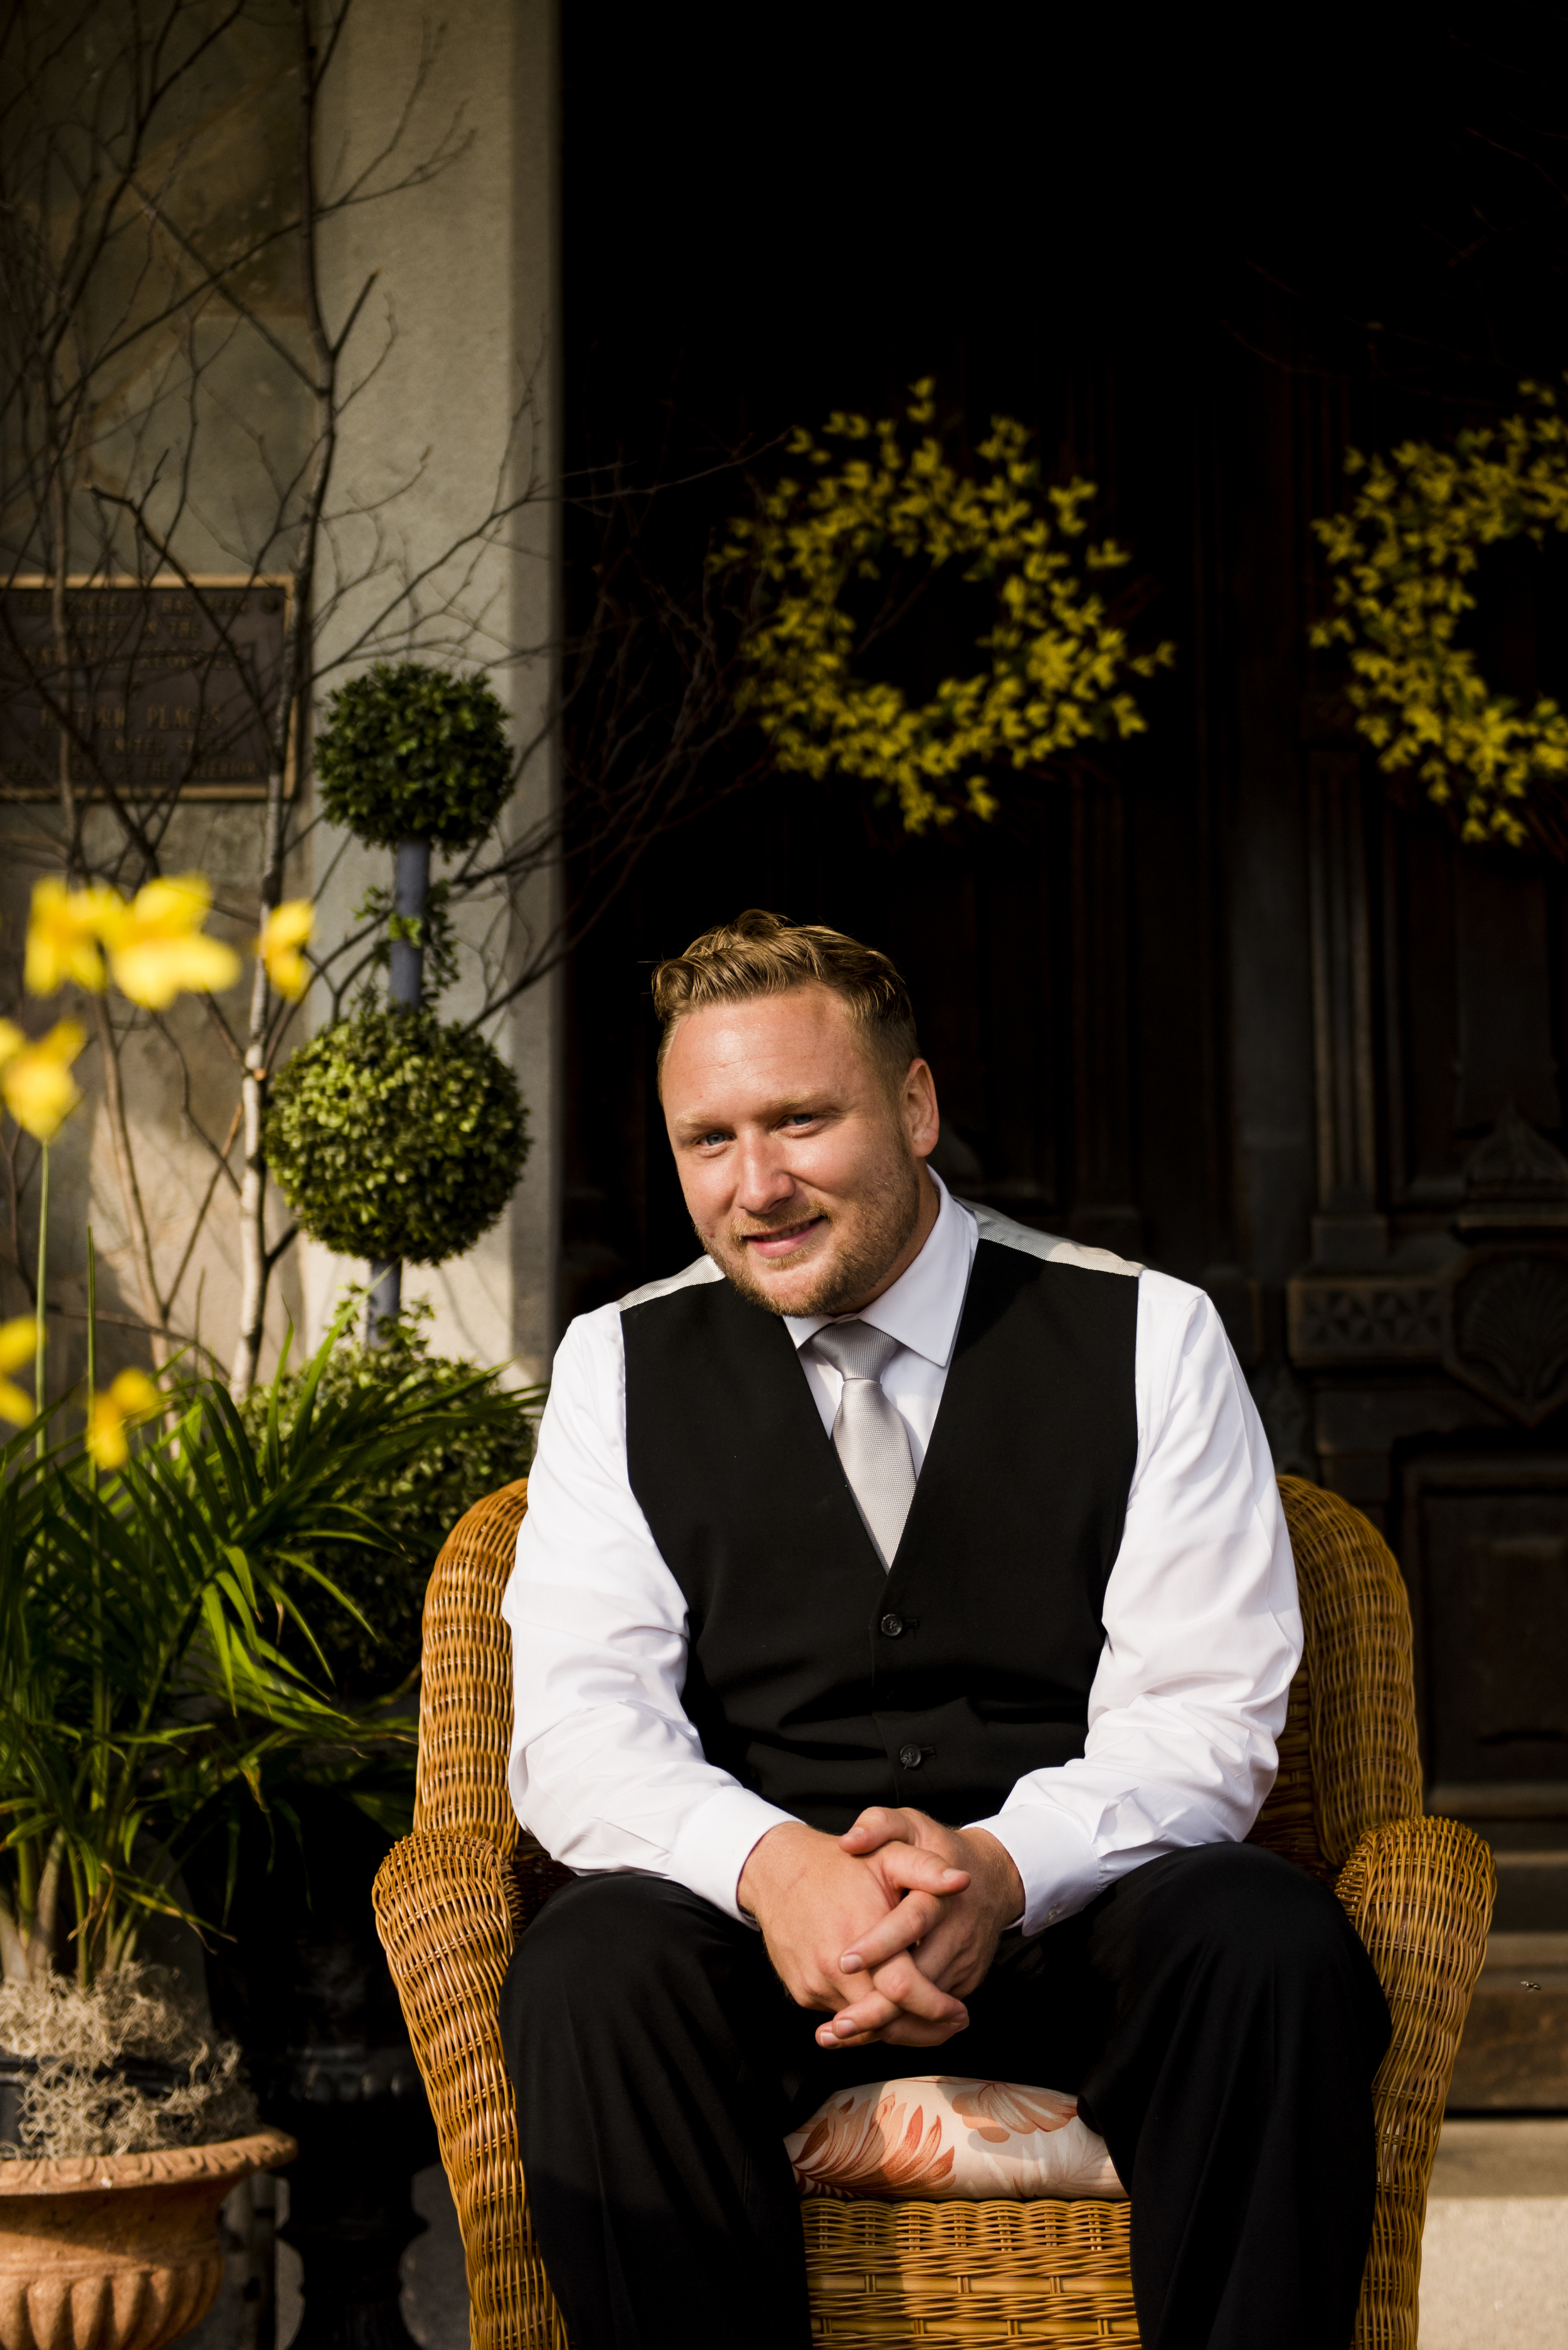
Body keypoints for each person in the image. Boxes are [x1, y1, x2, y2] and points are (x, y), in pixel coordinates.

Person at [499, 910, 1390, 2350]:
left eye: (799, 1120)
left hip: (1070, 1927)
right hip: (760, 1950)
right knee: (592, 1968)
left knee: (1264, 1940)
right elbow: (580, 1727)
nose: (756, 1183)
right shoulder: (616, 1365)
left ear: (914, 1108)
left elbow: (1204, 1713)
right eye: (707, 1140)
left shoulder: (1148, 1335)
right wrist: (774, 1870)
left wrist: (997, 1867)